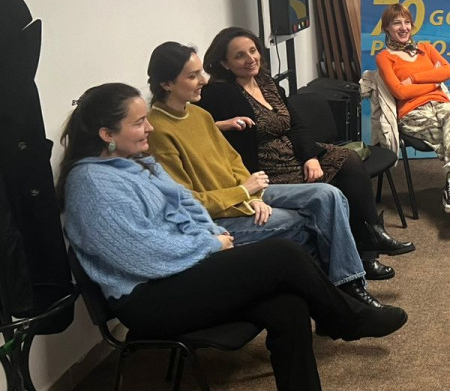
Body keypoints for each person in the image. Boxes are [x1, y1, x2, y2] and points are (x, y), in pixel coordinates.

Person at [59, 83, 408, 391]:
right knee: (282, 254)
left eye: (146, 120)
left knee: (288, 305)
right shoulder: (91, 185)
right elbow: (141, 255)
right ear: (106, 134)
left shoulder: (137, 164)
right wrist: (210, 243)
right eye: (139, 123)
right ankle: (345, 317)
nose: (149, 129)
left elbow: (188, 208)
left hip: (183, 273)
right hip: (148, 299)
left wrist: (211, 234)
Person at [145, 42, 382, 307]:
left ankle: (345, 286)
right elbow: (188, 202)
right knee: (307, 223)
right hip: (218, 215)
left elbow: (232, 161)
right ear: (166, 84)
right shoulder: (158, 132)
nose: (203, 80)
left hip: (244, 197)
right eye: (192, 76)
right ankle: (341, 295)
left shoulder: (198, 114)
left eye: (201, 72)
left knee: (329, 196)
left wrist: (254, 195)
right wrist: (244, 192)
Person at [197, 27, 413, 284]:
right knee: (334, 189)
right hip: (268, 168)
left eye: (253, 51)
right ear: (225, 63)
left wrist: (310, 156)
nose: (250, 59)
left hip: (295, 154)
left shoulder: (266, 82)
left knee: (348, 160)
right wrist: (223, 125)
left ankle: (370, 241)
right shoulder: (219, 92)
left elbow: (296, 123)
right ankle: (365, 254)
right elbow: (194, 124)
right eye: (240, 56)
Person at [375, 3, 450, 220]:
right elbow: (399, 92)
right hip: (413, 112)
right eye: (397, 22)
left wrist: (415, 79)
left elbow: (447, 71)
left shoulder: (426, 48)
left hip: (441, 105)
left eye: (407, 22)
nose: (403, 27)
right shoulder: (384, 57)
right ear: (386, 27)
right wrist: (432, 81)